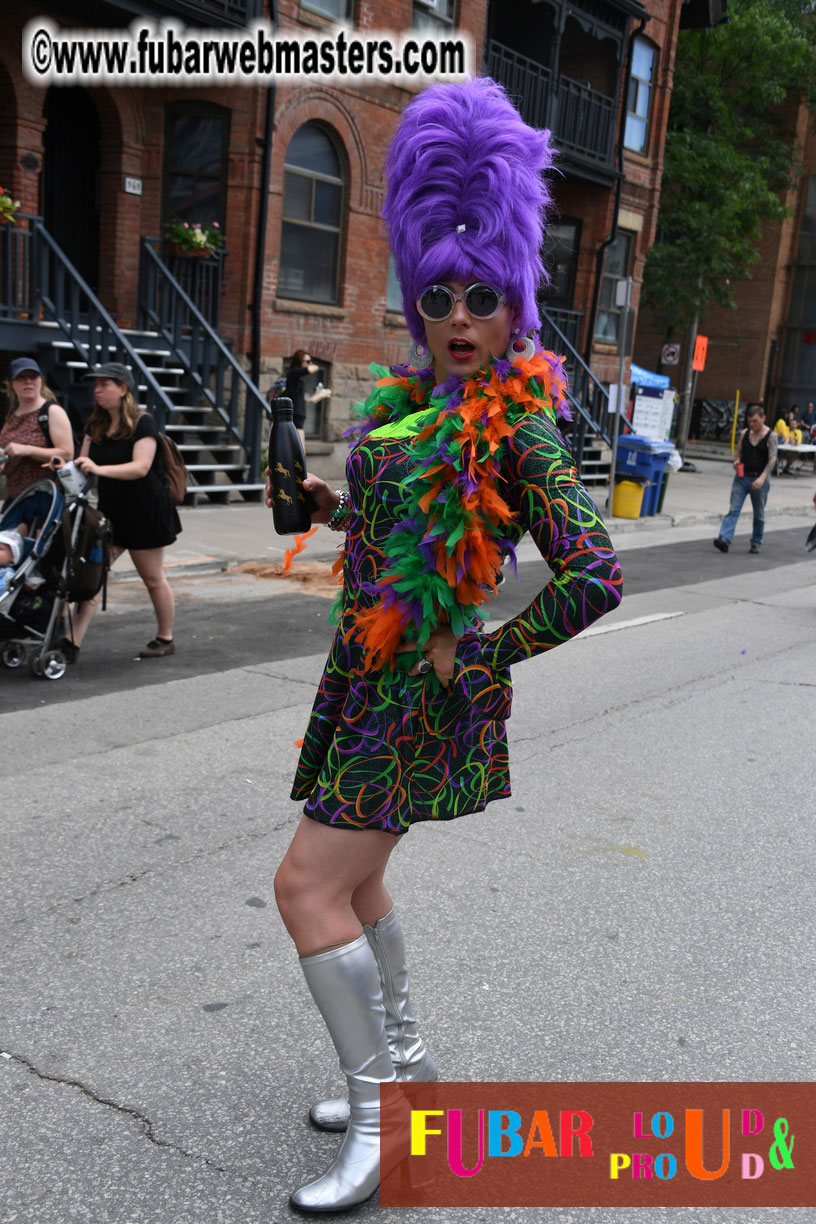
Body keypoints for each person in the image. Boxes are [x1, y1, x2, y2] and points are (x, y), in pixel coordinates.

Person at [269, 78, 623, 1214]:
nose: (460, 316)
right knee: (360, 887)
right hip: (360, 673)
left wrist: (485, 655)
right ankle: (410, 1068)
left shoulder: (519, 427)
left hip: (415, 693)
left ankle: (381, 1120)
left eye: (482, 296)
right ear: (418, 304)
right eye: (440, 296)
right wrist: (328, 503)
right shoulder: (415, 411)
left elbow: (597, 576)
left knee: (305, 888)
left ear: (513, 304)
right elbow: (392, 526)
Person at [65, 362, 181, 662]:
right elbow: (83, 464)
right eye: (97, 385)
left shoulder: (143, 423)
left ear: (123, 389)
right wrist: (64, 469)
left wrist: (98, 468)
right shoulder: (95, 425)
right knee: (91, 576)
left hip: (146, 514)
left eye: (105, 384)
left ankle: (165, 637)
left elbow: (141, 467)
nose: (98, 390)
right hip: (110, 516)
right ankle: (71, 642)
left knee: (153, 579)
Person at [0, 357, 74, 506]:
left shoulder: (51, 411)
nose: (28, 382)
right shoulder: (12, 416)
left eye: (33, 377)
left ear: (40, 381)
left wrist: (27, 450)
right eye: (21, 377)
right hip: (17, 498)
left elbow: (67, 453)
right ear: (12, 383)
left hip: (45, 496)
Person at [713, 403, 777, 554]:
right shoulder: (745, 434)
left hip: (759, 479)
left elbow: (772, 459)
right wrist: (736, 461)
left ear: (763, 418)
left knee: (759, 513)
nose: (752, 424)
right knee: (734, 509)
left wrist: (762, 478)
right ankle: (724, 539)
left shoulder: (771, 436)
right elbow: (739, 453)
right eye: (749, 421)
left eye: (755, 421)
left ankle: (756, 541)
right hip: (742, 477)